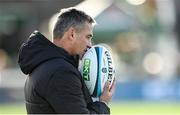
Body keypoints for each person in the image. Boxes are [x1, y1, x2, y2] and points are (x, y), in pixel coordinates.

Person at [18, 7, 115, 114]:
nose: (90, 45)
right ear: (72, 34)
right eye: (88, 37)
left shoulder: (43, 63)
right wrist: (103, 104)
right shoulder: (61, 72)